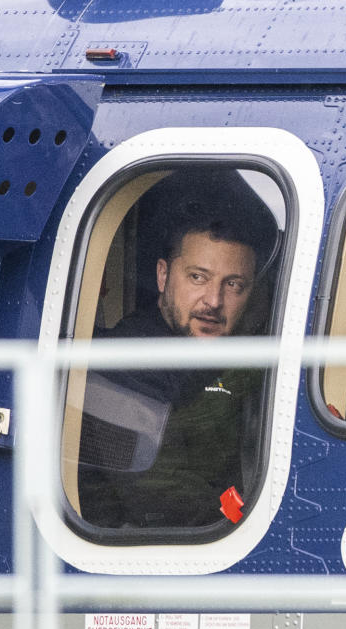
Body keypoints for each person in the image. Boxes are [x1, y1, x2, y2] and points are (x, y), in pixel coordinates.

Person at [77, 169, 277, 530]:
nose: (213, 301)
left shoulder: (228, 362)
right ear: (163, 276)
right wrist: (237, 510)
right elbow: (164, 502)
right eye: (197, 277)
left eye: (233, 285)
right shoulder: (126, 364)